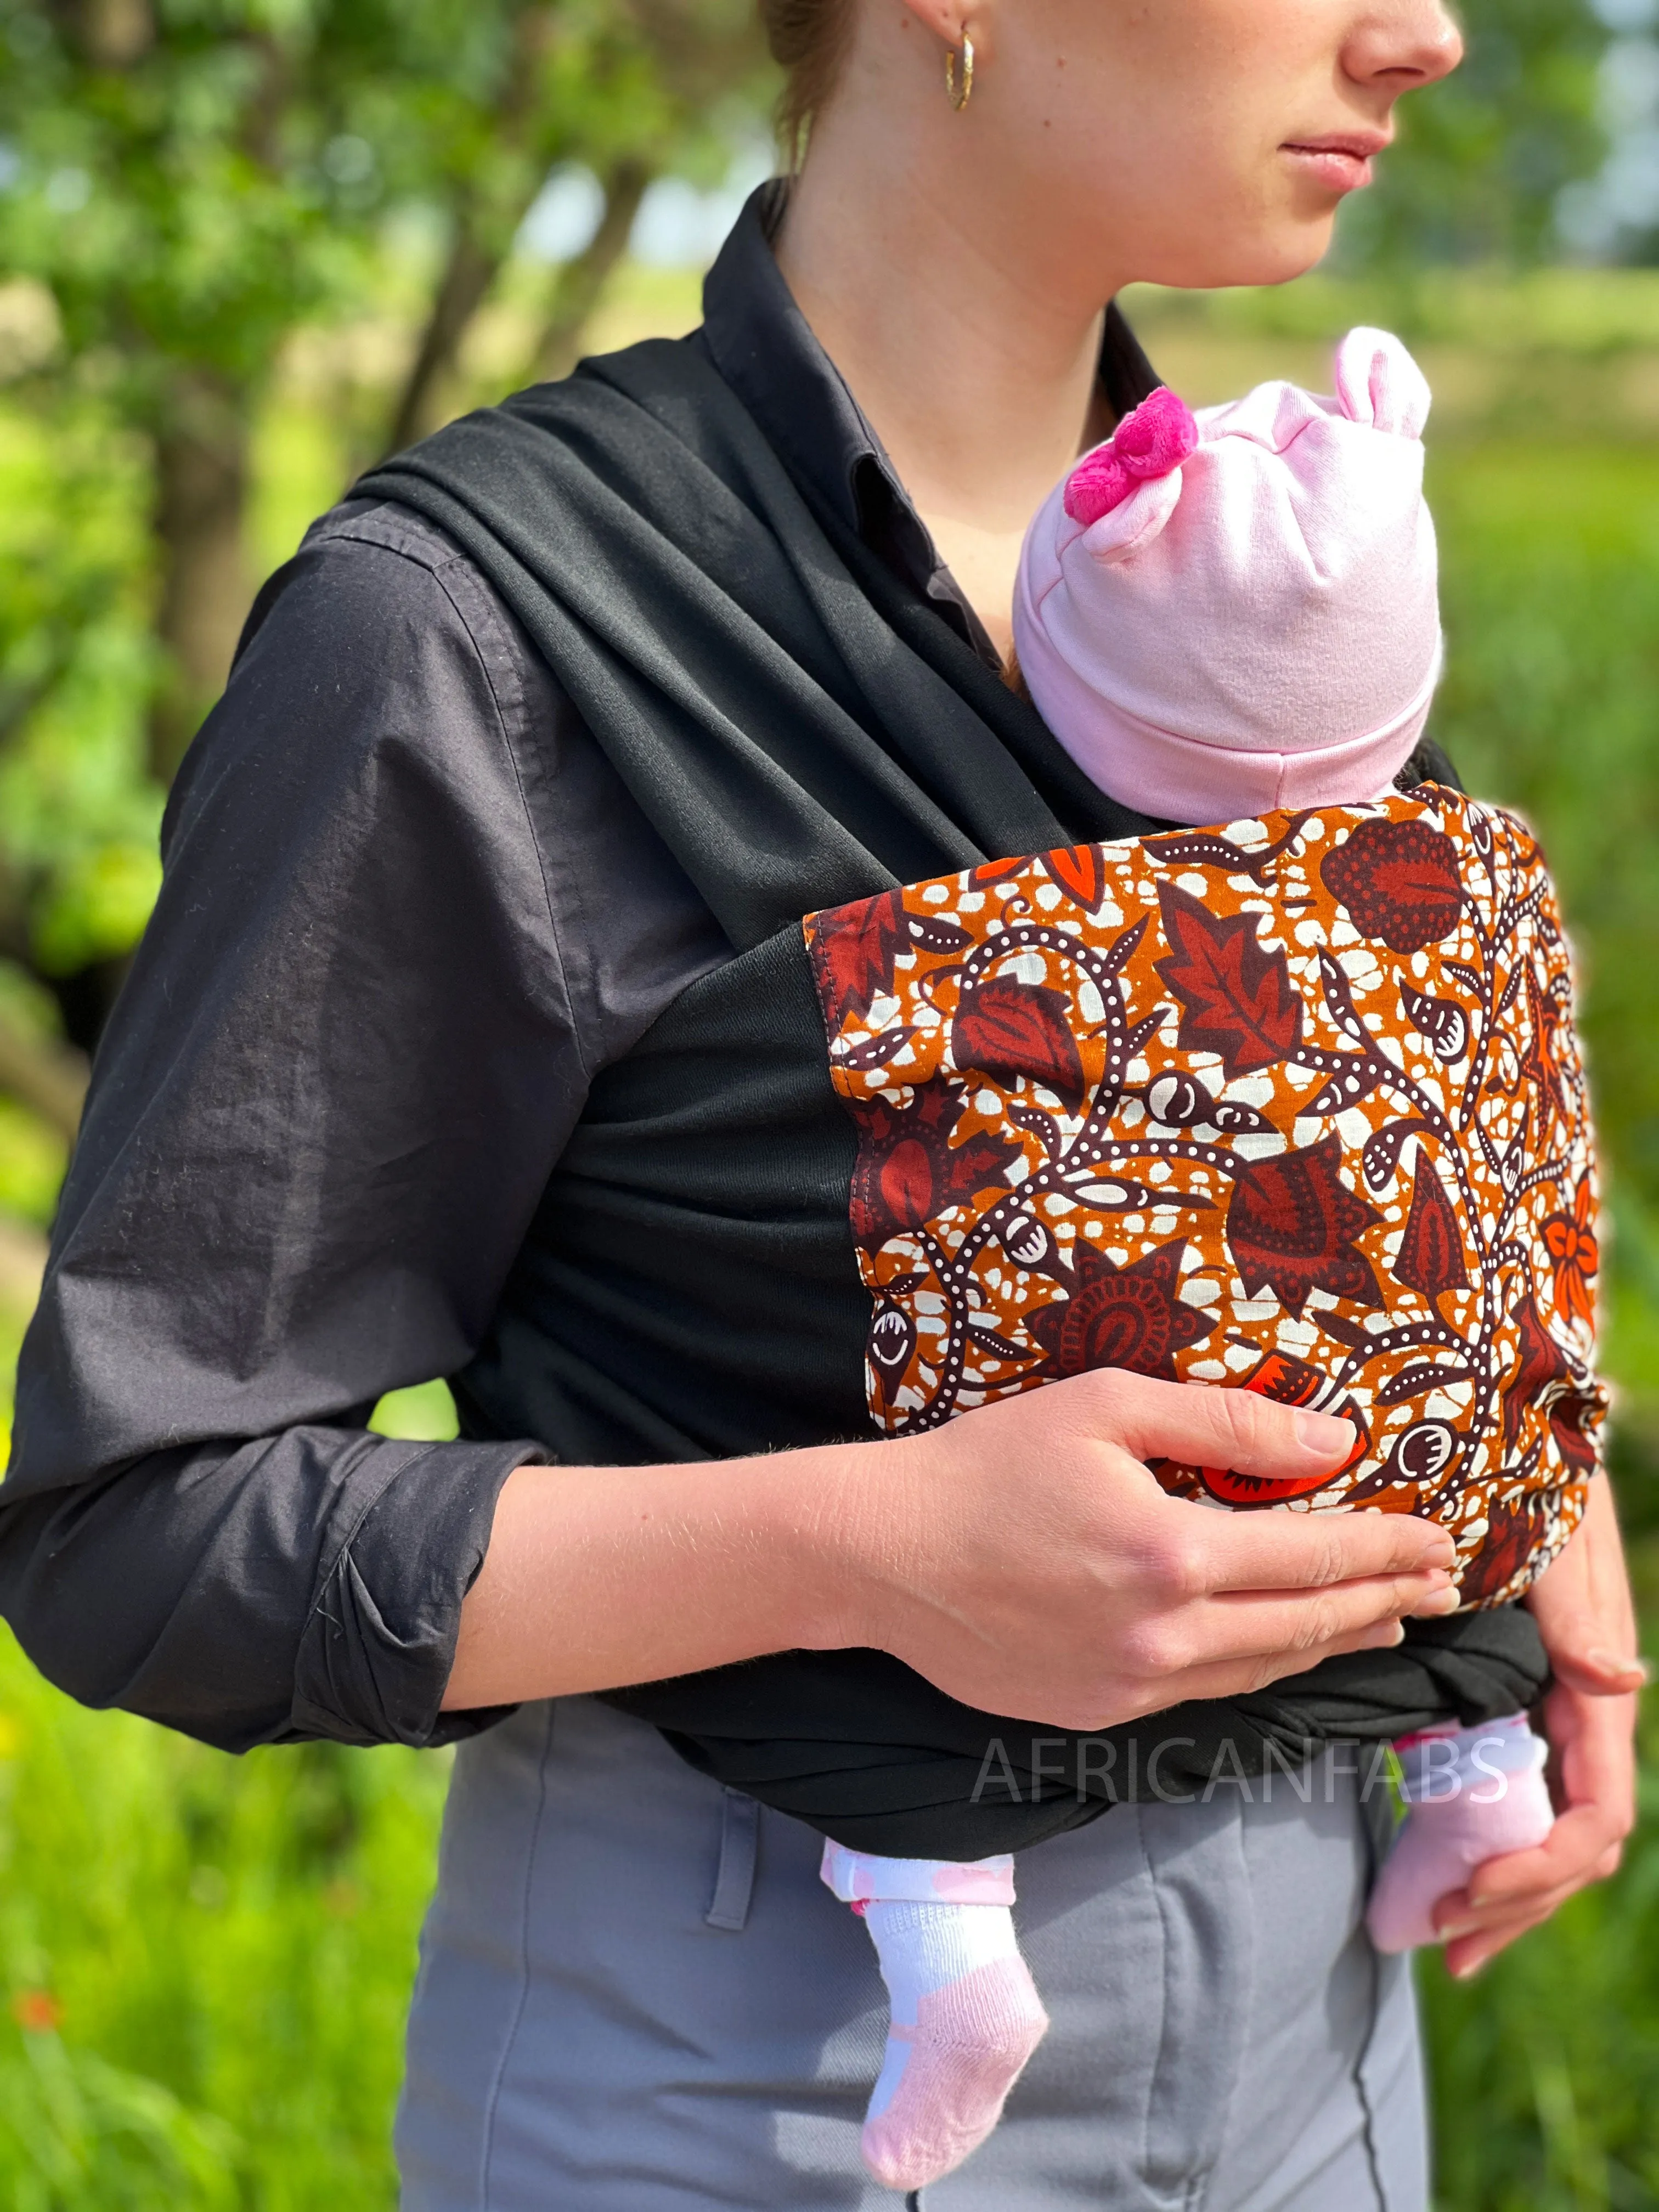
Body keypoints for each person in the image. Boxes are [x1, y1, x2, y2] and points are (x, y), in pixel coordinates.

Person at [0, 4, 1640, 2208]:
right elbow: (138, 1525)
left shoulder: (1300, 575)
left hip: (1324, 2024)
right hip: (762, 2072)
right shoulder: (477, 635)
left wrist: (1557, 1531)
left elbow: (1378, 1120)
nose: (1426, 28)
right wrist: (870, 1553)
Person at [792, 329, 1584, 2191]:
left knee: (955, 1540)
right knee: (1430, 1475)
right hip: (1418, 1467)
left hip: (1104, 1473)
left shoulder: (1036, 926)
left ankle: (948, 1944)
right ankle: (1479, 1783)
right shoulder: (1446, 900)